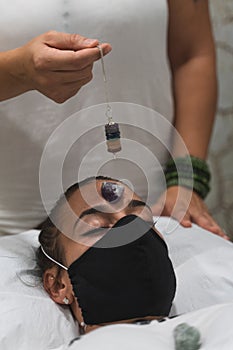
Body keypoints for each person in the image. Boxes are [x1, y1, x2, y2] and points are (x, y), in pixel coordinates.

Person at [0, 1, 227, 239]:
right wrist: (19, 71)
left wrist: (186, 182)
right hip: (9, 224)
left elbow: (191, 56)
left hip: (154, 214)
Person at [37, 176, 177, 334]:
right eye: (98, 227)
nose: (131, 231)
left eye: (142, 220)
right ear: (58, 285)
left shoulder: (209, 328)